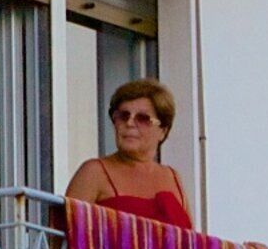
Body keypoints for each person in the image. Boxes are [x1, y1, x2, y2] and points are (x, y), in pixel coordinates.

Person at [67, 79, 194, 229]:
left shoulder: (173, 177)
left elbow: (191, 243)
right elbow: (61, 237)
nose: (130, 123)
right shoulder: (94, 172)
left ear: (163, 131)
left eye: (143, 118)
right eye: (123, 116)